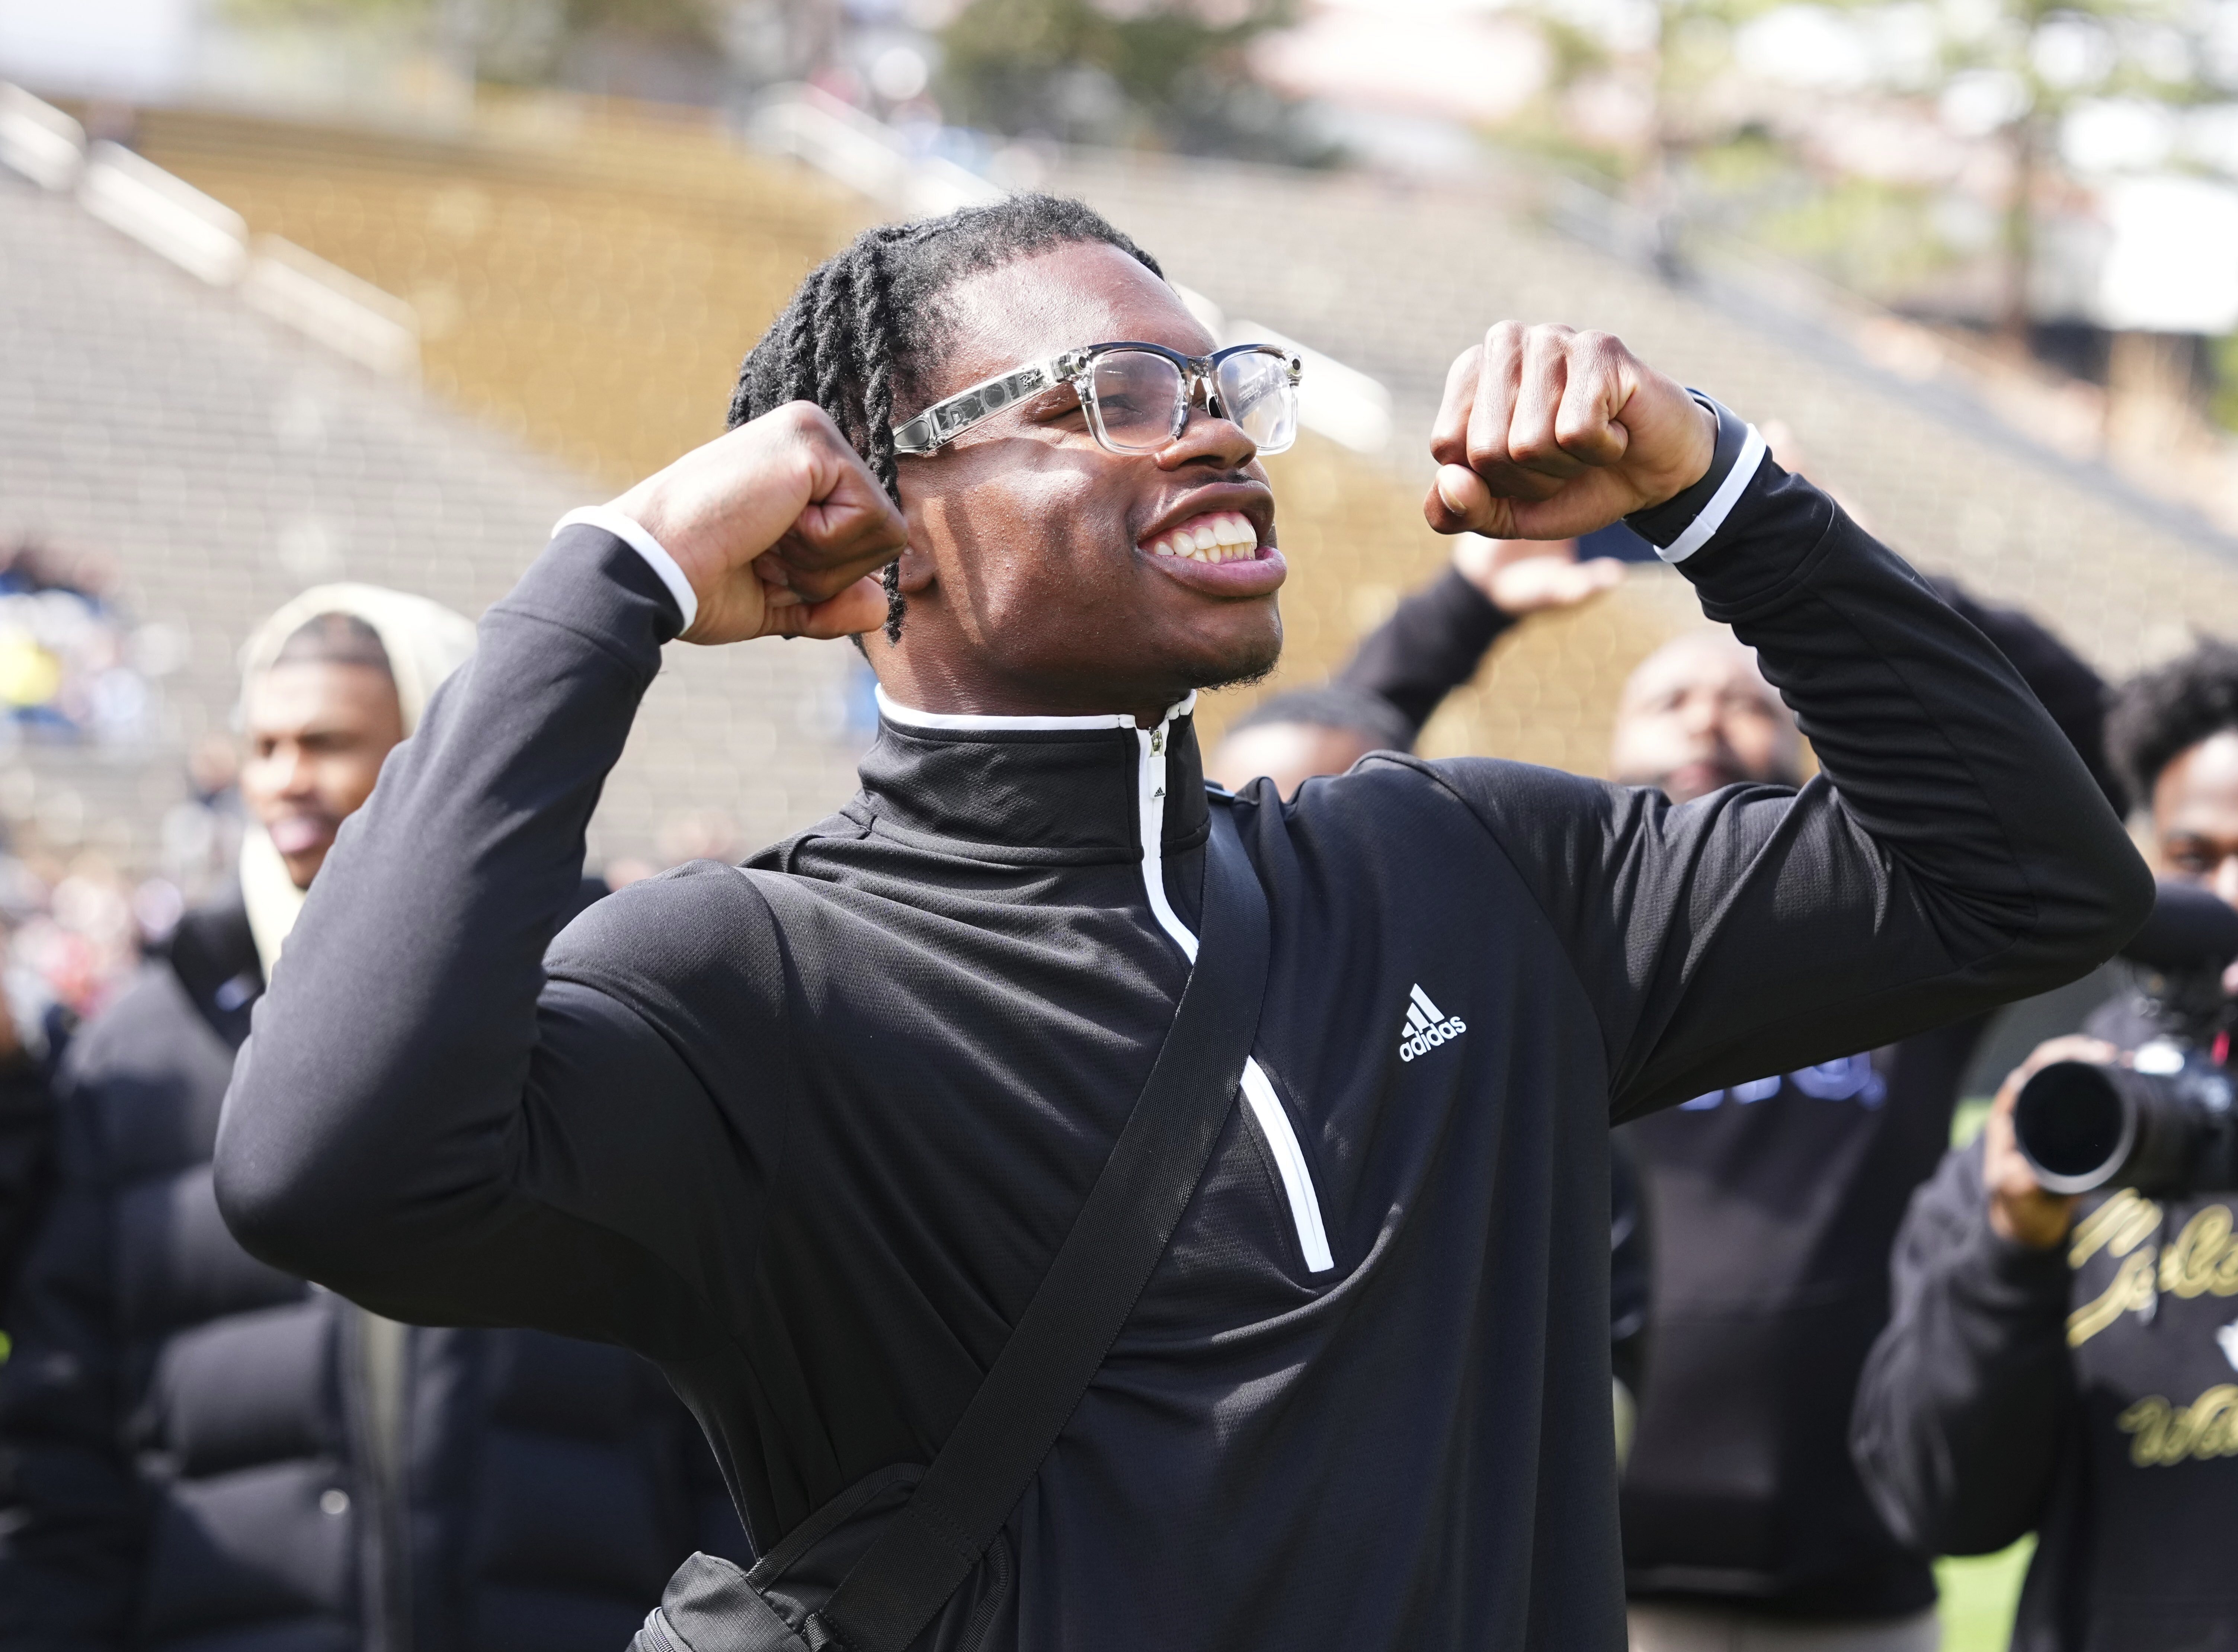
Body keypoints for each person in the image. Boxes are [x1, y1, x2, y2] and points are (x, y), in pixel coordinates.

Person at [211, 195, 2149, 1652]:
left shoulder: (1470, 870)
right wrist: (608, 585)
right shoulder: (751, 977)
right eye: (1115, 396)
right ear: (882, 514)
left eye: (1226, 386)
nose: (1214, 431)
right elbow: (325, 1166)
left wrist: (1720, 498)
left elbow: (2032, 878)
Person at [1217, 524, 2121, 1652]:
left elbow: (2081, 761)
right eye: (1670, 696)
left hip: (1854, 1584)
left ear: (1810, 750)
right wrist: (1466, 608)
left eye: (1745, 698)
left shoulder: (1898, 952)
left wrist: (1840, 556)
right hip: (1583, 1579)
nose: (1705, 713)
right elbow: (1305, 791)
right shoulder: (1533, 940)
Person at [0, 586, 745, 1652]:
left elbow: (725, 1398)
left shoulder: (609, 1003)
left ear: (443, 753)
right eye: (264, 745)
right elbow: (66, 1431)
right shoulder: (144, 1048)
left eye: (329, 743)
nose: (285, 778)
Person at [1853, 637, 2238, 1652]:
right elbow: (1941, 1505)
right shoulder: (2066, 1114)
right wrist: (2013, 1242)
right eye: (2198, 861)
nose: (2229, 903)